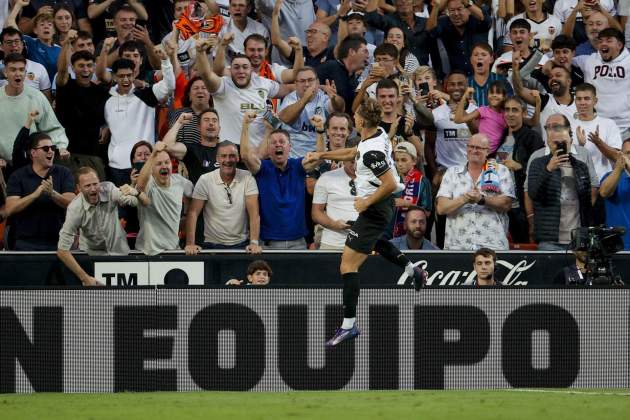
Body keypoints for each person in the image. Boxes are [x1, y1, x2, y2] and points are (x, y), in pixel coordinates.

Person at [304, 98, 427, 348]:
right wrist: (322, 154)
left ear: (360, 120)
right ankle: (410, 268)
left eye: (355, 116)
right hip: (378, 208)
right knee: (373, 241)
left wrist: (366, 202)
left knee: (347, 266)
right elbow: (352, 152)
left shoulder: (371, 150)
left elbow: (391, 184)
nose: (354, 119)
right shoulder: (377, 134)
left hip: (375, 207)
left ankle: (348, 326)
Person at [240, 113, 320, 249]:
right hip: (268, 243)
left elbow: (319, 156)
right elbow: (246, 156)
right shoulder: (262, 168)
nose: (278, 145)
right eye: (273, 143)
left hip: (298, 242)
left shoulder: (298, 166)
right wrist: (246, 125)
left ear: (289, 147)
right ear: (268, 149)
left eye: (282, 142)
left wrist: (320, 131)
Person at [194, 38, 292, 147]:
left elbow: (288, 89)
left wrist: (310, 84)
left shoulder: (264, 83)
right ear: (230, 70)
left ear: (251, 70)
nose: (241, 71)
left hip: (261, 154)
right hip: (231, 154)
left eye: (245, 67)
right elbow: (206, 75)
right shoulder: (223, 86)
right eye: (236, 67)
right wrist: (200, 52)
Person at [102, 44, 175, 186]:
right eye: (121, 76)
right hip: (116, 166)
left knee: (146, 205)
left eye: (129, 75)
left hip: (144, 163)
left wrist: (165, 60)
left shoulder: (146, 95)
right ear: (114, 77)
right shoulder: (107, 101)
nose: (126, 80)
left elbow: (170, 85)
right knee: (122, 206)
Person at [56, 167, 141, 286]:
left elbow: (133, 202)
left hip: (120, 254)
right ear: (78, 188)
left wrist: (131, 191)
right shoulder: (75, 209)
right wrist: (85, 278)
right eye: (87, 186)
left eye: (95, 184)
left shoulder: (109, 189)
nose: (93, 189)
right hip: (93, 259)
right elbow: (62, 251)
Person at [436, 133, 515, 250]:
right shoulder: (452, 172)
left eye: (479, 148)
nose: (474, 150)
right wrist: (464, 198)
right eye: (471, 147)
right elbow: (441, 208)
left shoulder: (500, 171)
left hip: (492, 246)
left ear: (487, 151)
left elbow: (506, 204)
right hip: (458, 246)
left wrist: (481, 199)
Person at [527, 114, 595, 250]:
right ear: (548, 143)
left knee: (578, 272)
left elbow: (587, 203)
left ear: (570, 141)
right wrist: (548, 169)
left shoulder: (581, 167)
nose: (560, 147)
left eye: (563, 143)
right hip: (549, 239)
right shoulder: (538, 163)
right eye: (555, 144)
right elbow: (533, 194)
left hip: (577, 239)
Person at [184, 140, 261, 253]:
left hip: (241, 245)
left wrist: (254, 243)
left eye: (232, 156)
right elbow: (193, 212)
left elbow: (254, 214)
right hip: (211, 245)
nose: (228, 160)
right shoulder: (205, 179)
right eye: (223, 156)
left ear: (238, 158)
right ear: (217, 159)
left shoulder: (247, 178)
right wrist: (190, 244)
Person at [4, 133, 75, 250]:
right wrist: (34, 195)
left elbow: (72, 203)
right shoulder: (18, 176)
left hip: (58, 241)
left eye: (53, 148)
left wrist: (53, 194)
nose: (51, 151)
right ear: (33, 153)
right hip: (25, 242)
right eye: (46, 148)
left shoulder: (64, 173)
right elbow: (9, 209)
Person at [55, 30, 110, 180]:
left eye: (89, 65)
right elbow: (61, 70)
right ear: (73, 68)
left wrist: (107, 126)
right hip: (66, 153)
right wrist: (66, 43)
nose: (85, 69)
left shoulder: (100, 91)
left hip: (93, 154)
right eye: (81, 66)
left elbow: (103, 77)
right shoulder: (65, 86)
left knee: (97, 196)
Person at [0, 53, 69, 165]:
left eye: (21, 70)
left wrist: (61, 146)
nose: (18, 74)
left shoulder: (36, 96)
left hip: (32, 164)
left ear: (25, 73)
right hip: (4, 165)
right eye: (13, 70)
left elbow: (52, 127)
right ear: (5, 73)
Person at [134, 142, 194, 255]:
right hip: (146, 251)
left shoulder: (180, 182)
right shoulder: (148, 183)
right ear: (151, 168)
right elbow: (140, 186)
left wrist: (186, 215)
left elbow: (195, 197)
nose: (164, 166)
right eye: (159, 163)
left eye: (167, 162)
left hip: (172, 250)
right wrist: (153, 155)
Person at [501, 96, 545, 243]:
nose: (510, 114)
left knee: (524, 245)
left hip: (522, 204)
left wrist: (520, 166)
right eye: (507, 110)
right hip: (502, 202)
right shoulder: (500, 136)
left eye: (515, 110)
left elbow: (542, 169)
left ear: (524, 113)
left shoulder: (532, 137)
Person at [278, 66, 345, 158]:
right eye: (302, 81)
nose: (306, 84)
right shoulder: (290, 99)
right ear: (296, 84)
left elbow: (339, 109)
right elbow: (285, 118)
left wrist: (334, 98)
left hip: (319, 155)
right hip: (293, 156)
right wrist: (305, 98)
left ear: (317, 82)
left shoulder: (323, 98)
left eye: (310, 80)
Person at [573, 28, 630, 135]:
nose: (603, 43)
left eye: (609, 41)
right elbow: (564, 59)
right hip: (596, 123)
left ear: (620, 45)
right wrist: (550, 63)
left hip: (625, 125)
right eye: (600, 41)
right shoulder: (589, 60)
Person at [312, 137, 360, 251]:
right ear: (343, 157)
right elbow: (316, 213)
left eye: (358, 162)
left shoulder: (374, 180)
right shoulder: (326, 178)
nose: (354, 166)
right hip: (332, 243)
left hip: (364, 244)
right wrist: (334, 225)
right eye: (351, 161)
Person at [163, 109, 234, 185]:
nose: (211, 123)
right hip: (201, 196)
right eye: (206, 120)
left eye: (214, 120)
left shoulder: (230, 149)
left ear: (219, 128)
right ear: (198, 127)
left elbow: (246, 154)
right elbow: (167, 146)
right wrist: (179, 123)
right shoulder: (192, 150)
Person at [364, 0, 438, 70]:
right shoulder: (390, 21)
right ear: (395, 4)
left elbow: (434, 50)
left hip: (422, 74)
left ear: (413, 2)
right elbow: (371, 16)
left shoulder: (425, 22)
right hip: (399, 72)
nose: (403, 1)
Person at [427, 0, 492, 75]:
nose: (456, 14)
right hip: (457, 79)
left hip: (481, 76)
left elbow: (485, 19)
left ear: (469, 10)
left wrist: (467, 3)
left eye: (459, 9)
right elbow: (430, 30)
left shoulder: (477, 21)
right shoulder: (445, 22)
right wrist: (436, 7)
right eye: (452, 10)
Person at [573, 83, 621, 182]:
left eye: (587, 98)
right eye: (579, 99)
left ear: (595, 101)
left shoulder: (609, 124)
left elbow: (617, 158)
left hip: (603, 182)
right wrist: (580, 146)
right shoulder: (568, 125)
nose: (582, 102)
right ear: (575, 101)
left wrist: (599, 143)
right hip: (577, 183)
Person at [5, 4, 62, 81]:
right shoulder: (30, 42)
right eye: (42, 24)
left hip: (53, 89)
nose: (46, 27)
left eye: (49, 24)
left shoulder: (60, 50)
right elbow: (10, 22)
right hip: (34, 86)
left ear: (54, 30)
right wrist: (18, 5)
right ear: (35, 30)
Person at [316, 35, 369, 113]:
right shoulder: (330, 67)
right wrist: (321, 88)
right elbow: (304, 84)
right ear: (352, 52)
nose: (368, 56)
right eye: (365, 51)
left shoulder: (354, 81)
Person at [454, 82, 510, 154]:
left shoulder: (506, 114)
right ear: (487, 96)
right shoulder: (483, 110)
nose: (494, 95)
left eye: (498, 93)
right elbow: (458, 120)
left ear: (504, 97)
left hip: (495, 155)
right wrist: (464, 97)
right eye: (491, 93)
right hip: (479, 152)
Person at [392, 141, 432, 239]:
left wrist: (408, 205)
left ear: (414, 161)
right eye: (397, 160)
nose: (400, 164)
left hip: (414, 236)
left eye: (404, 160)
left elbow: (427, 213)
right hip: (389, 235)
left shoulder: (422, 181)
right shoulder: (391, 179)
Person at [0, 27, 52, 101]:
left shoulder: (39, 68)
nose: (14, 45)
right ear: (1, 46)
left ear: (22, 44)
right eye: (9, 42)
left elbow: (47, 100)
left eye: (17, 41)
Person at [599, 140, 630, 250]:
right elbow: (604, 192)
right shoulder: (611, 176)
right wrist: (618, 169)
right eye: (628, 153)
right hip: (618, 247)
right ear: (621, 155)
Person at [467, 42, 513, 107]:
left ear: (491, 59)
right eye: (476, 55)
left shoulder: (501, 80)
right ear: (471, 60)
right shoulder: (465, 82)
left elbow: (511, 104)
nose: (479, 57)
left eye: (483, 55)